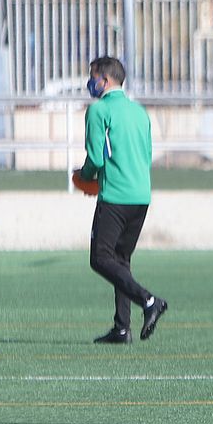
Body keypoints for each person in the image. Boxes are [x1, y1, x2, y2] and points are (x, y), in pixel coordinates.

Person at [80, 55, 167, 344]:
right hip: (141, 195)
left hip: (115, 196)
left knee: (100, 259)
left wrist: (84, 176)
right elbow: (146, 154)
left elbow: (95, 158)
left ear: (105, 80)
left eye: (92, 77)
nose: (90, 83)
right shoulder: (139, 112)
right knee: (121, 260)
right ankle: (122, 327)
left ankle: (149, 300)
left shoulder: (98, 111)